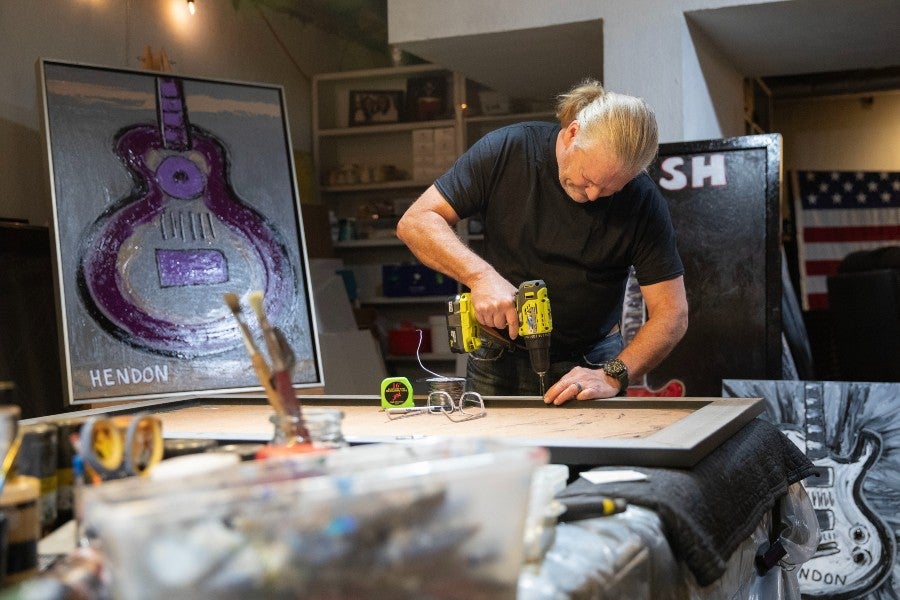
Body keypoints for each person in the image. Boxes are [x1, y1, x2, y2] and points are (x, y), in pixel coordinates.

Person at [396, 79, 688, 405]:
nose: (593, 196)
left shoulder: (642, 200)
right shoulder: (507, 150)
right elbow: (416, 222)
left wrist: (613, 374)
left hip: (591, 362)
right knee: (496, 455)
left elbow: (671, 314)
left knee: (594, 456)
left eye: (609, 190)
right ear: (572, 134)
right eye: (589, 180)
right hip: (498, 357)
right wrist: (480, 277)